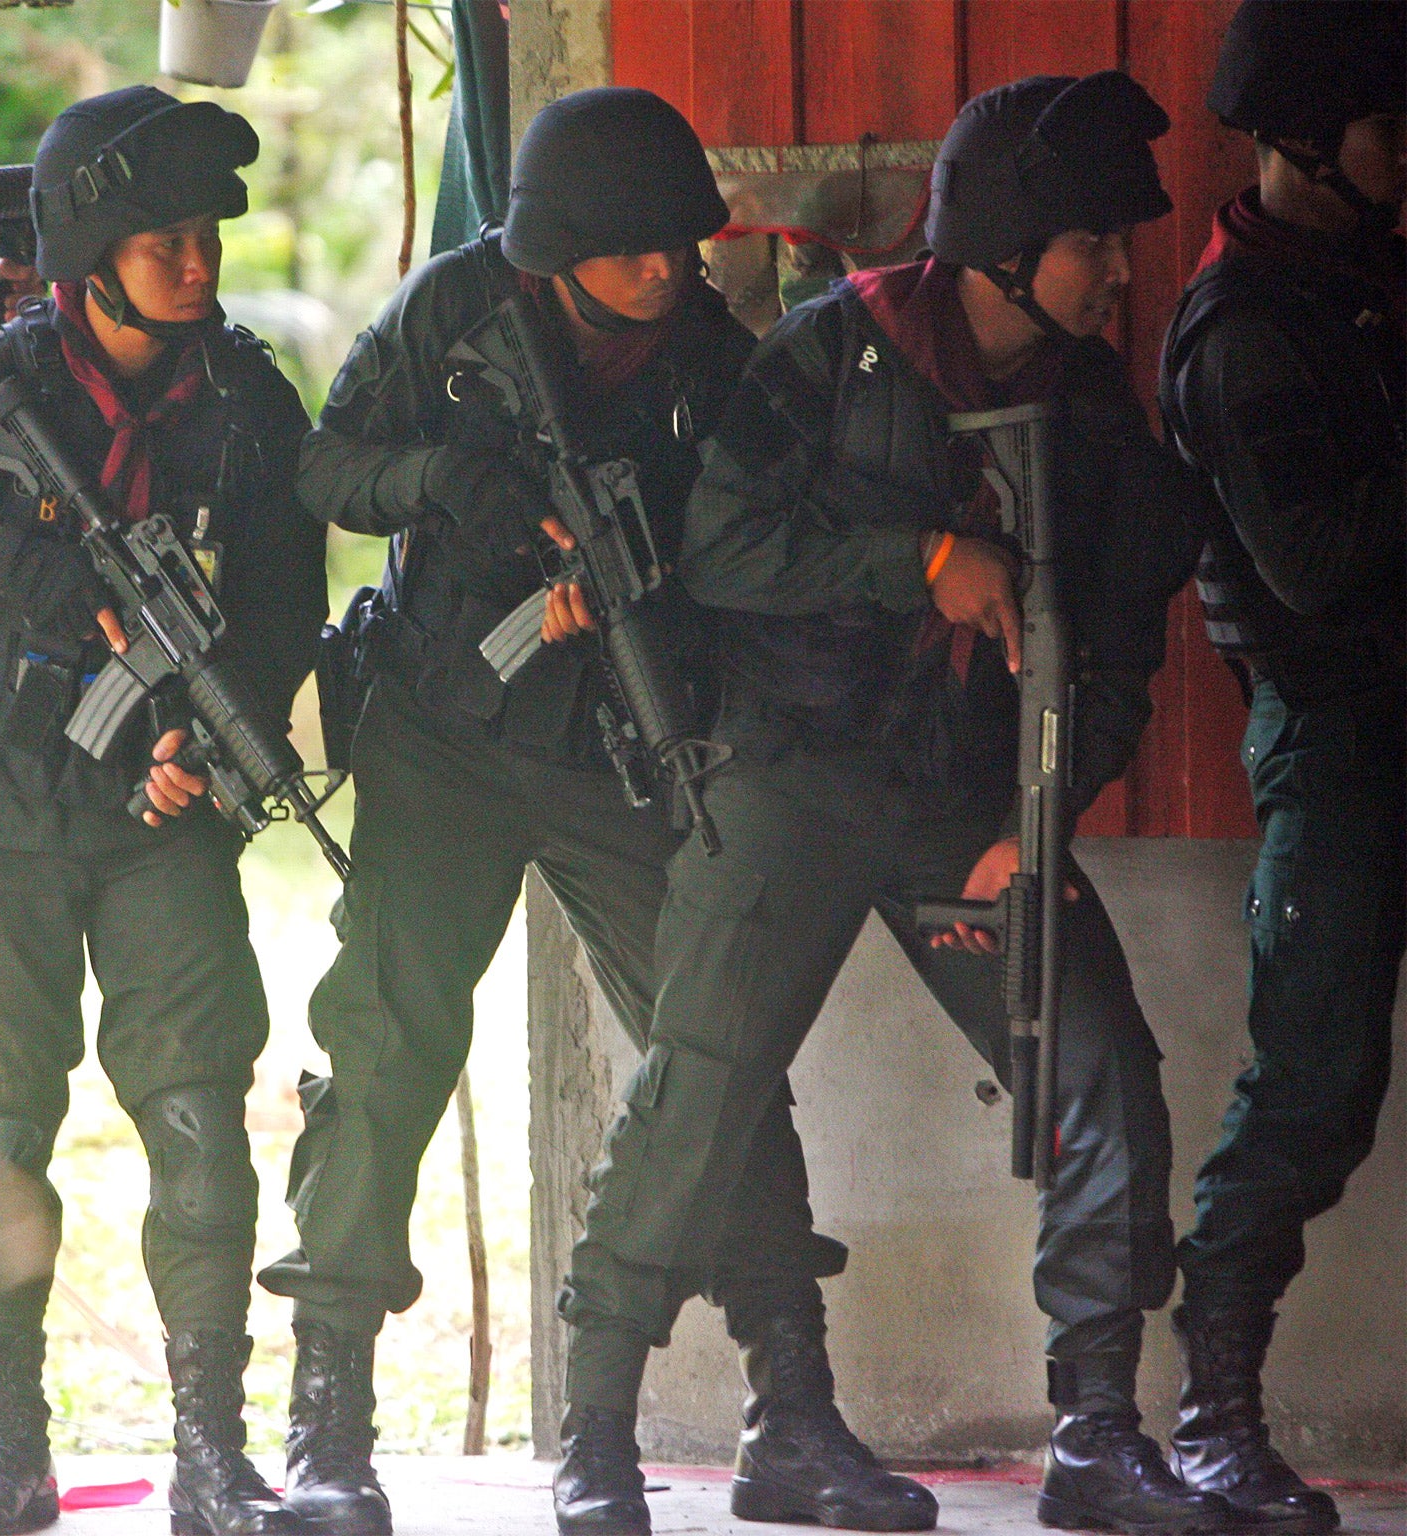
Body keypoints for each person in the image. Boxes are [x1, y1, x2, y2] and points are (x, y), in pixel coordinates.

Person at [557, 72, 1227, 1536]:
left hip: (966, 814)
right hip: (786, 785)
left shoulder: (1092, 415)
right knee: (696, 1096)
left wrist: (1034, 827)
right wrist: (919, 560)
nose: (1122, 270)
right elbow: (722, 551)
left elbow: (1113, 653)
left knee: (1103, 1071)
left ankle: (1099, 1436)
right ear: (1004, 245)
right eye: (1095, 243)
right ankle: (598, 1429)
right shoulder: (827, 354)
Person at [249, 87, 889, 1536]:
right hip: (443, 738)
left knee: (714, 1056)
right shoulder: (451, 312)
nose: (670, 271)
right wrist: (445, 483)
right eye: (634, 250)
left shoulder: (719, 362)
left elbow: (758, 546)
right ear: (553, 249)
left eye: (681, 247)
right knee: (386, 1046)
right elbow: (325, 467)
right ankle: (328, 1419)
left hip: (624, 748)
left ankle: (792, 1400)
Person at [0, 86, 323, 1536]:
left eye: (205, 230)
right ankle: (11, 1445)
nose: (197, 256)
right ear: (89, 249)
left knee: (198, 1122)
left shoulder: (246, 400)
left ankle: (212, 1456)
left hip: (164, 819)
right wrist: (8, 557)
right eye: (163, 234)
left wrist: (207, 743)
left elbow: (287, 600)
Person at [1159, 5, 1405, 1531]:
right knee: (1310, 1097)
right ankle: (1213, 1417)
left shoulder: (1360, 275)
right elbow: (1314, 567)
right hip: (1341, 745)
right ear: (1309, 147)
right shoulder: (1244, 328)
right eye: (1392, 131)